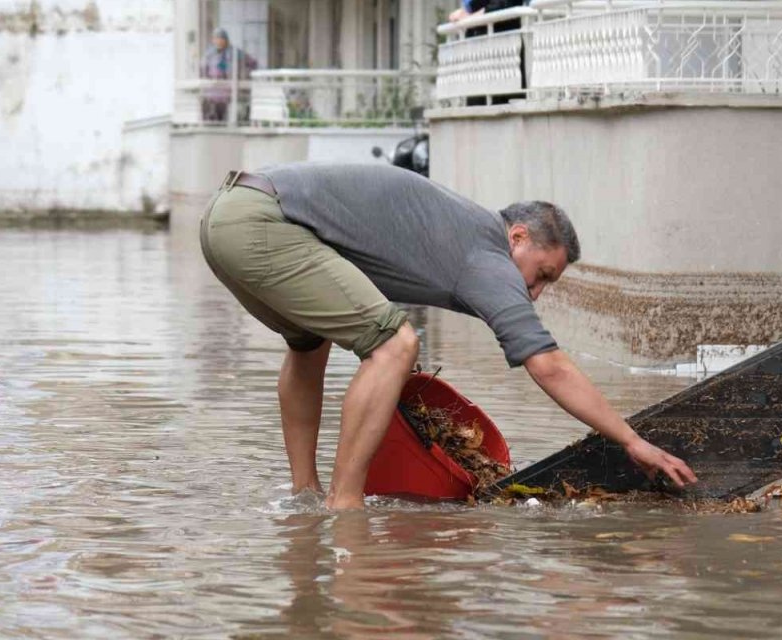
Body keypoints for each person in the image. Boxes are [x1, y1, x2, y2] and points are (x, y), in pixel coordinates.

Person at [199, 163, 698, 509]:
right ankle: (344, 506)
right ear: (519, 236)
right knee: (396, 343)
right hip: (262, 225)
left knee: (310, 343)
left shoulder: (461, 225)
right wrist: (634, 442)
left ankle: (304, 498)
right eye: (542, 274)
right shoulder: (489, 254)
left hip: (227, 215)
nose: (537, 292)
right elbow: (548, 364)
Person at [200, 28, 258, 123]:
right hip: (213, 90)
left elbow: (252, 63)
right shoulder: (209, 54)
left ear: (225, 39)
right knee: (212, 115)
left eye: (220, 38)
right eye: (215, 38)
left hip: (229, 90)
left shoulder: (234, 52)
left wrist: (245, 75)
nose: (217, 41)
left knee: (226, 116)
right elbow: (203, 68)